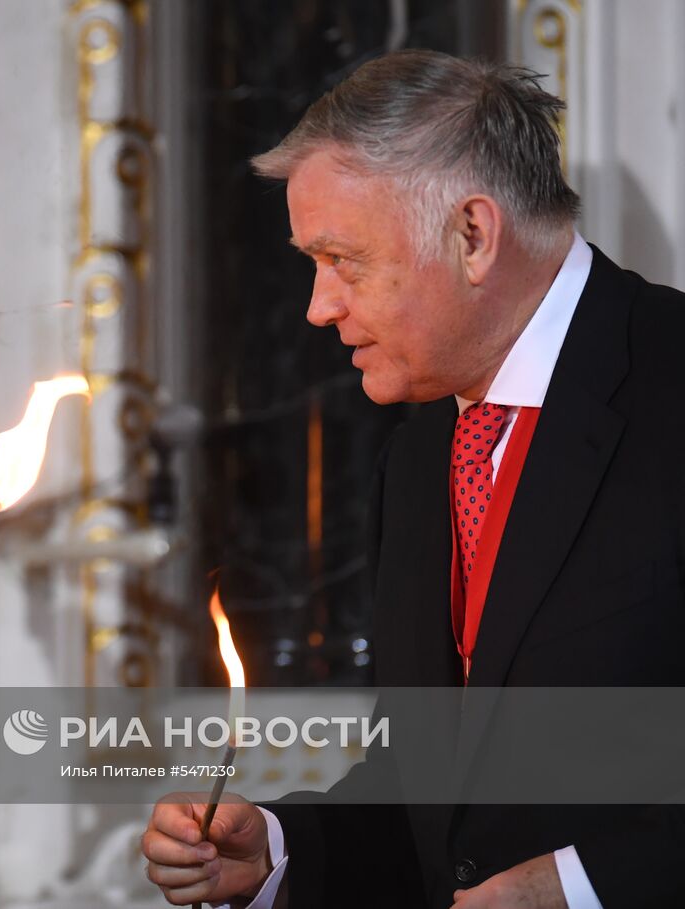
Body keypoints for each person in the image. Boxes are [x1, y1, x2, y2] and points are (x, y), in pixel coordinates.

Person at [142, 49, 685, 908]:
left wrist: (579, 887)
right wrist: (279, 848)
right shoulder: (420, 456)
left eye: (342, 260)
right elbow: (432, 794)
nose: (318, 306)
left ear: (473, 234)